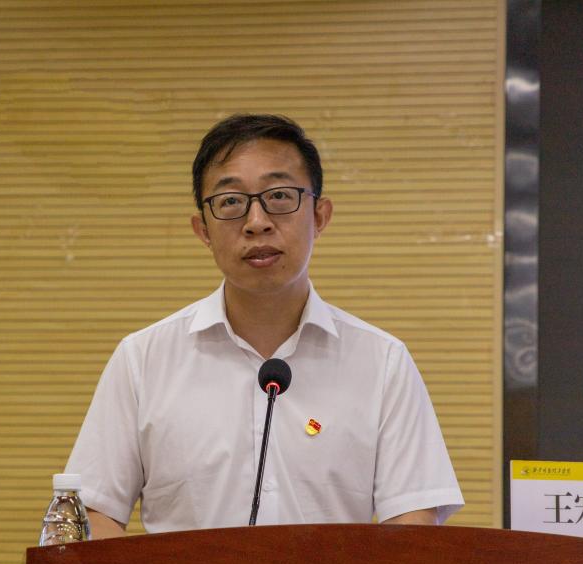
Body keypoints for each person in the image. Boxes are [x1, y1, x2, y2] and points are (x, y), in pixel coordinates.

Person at [64, 114, 463, 538]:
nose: (257, 222)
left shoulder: (382, 362)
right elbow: (95, 513)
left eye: (279, 196)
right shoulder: (143, 359)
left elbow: (413, 523)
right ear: (203, 230)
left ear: (320, 216)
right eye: (231, 202)